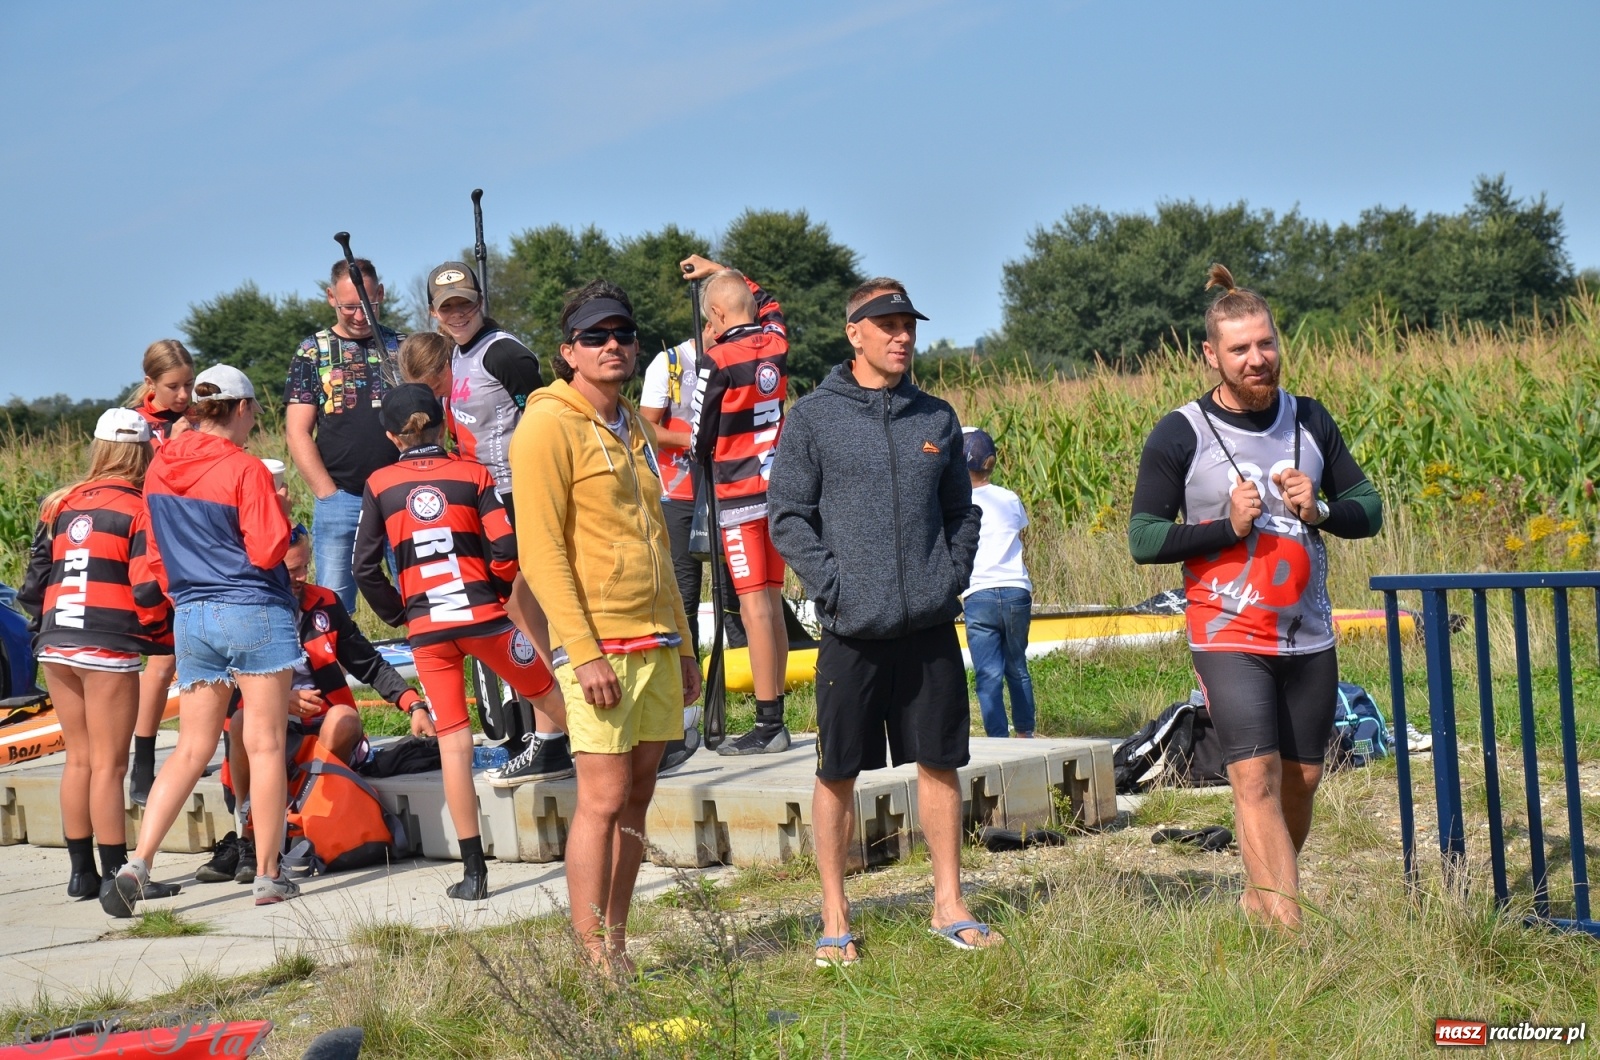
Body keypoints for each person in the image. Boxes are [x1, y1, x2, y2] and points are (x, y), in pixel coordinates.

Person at [1128, 263, 1383, 930]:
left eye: (1265, 343)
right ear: (1212, 355)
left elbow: (1368, 508)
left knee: (1300, 780)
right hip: (1227, 631)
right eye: (1240, 349)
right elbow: (1144, 538)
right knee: (1253, 774)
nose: (1257, 359)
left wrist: (1321, 511)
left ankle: (1261, 894)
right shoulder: (1180, 431)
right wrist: (1225, 528)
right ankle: (1289, 923)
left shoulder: (1311, 419)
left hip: (1308, 635)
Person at [768, 278, 997, 966]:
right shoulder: (813, 418)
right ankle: (835, 914)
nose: (902, 336)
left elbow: (963, 511)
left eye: (908, 325)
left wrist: (948, 576)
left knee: (940, 762)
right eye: (887, 325)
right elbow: (787, 516)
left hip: (927, 625)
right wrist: (834, 586)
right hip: (850, 630)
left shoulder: (936, 418)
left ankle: (948, 902)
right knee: (838, 769)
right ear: (854, 333)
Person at [509, 280, 701, 969]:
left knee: (639, 795)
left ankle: (617, 942)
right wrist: (580, 652)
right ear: (568, 352)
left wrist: (683, 645)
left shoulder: (635, 424)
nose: (612, 344)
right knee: (603, 796)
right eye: (595, 336)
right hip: (597, 641)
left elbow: (655, 535)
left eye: (622, 333)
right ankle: (592, 957)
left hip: (655, 636)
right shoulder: (546, 426)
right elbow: (540, 551)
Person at [103, 365, 303, 916]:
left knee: (191, 748)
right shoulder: (246, 469)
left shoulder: (162, 463)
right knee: (263, 744)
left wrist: (181, 593)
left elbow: (156, 548)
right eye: (255, 409)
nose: (256, 418)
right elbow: (266, 552)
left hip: (191, 614)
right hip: (253, 608)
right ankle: (268, 873)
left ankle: (136, 864)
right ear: (239, 409)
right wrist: (282, 518)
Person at [353, 384, 563, 900]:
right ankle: (623, 789)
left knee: (453, 742)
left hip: (428, 631)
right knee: (554, 701)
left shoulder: (379, 483)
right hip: (486, 620)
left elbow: (363, 566)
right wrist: (494, 586)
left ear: (390, 436)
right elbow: (505, 544)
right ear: (445, 422)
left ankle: (474, 873)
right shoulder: (474, 473)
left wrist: (398, 612)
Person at [196, 523, 436, 885]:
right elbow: (222, 686)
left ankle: (299, 822)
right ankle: (248, 836)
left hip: (322, 733)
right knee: (245, 718)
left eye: (305, 566)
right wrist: (280, 699)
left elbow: (368, 662)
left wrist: (413, 704)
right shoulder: (241, 611)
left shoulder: (324, 603)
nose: (301, 576)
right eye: (292, 570)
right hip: (266, 728)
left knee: (345, 718)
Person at [18, 409, 177, 901]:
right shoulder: (140, 507)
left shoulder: (60, 503)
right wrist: (161, 637)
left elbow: (32, 584)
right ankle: (115, 878)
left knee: (79, 760)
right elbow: (147, 588)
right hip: (106, 640)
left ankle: (80, 873)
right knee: (110, 765)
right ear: (142, 451)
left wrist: (40, 629)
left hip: (55, 638)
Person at [426, 263, 572, 785]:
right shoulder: (459, 354)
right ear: (434, 314)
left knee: (529, 617)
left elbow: (548, 414)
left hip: (518, 494)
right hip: (487, 499)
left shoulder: (503, 352)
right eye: (447, 307)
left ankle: (553, 738)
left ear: (481, 300)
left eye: (465, 302)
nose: (458, 313)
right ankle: (552, 733)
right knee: (521, 615)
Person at [682, 255, 791, 756]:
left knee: (753, 609)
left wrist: (694, 452)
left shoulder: (716, 360)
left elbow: (698, 434)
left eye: (709, 318)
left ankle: (768, 725)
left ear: (720, 317)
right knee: (769, 603)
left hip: (739, 497)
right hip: (781, 493)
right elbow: (765, 300)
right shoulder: (777, 341)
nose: (706, 328)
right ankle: (777, 715)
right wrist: (718, 270)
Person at [284, 258, 405, 613]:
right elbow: (297, 431)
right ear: (331, 298)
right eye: (349, 306)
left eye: (367, 304)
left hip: (401, 494)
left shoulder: (403, 347)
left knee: (418, 591)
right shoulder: (312, 352)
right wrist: (326, 492)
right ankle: (335, 667)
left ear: (380, 294)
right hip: (342, 497)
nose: (359, 314)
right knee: (334, 604)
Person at [127, 339, 195, 806]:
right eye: (174, 386)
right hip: (149, 546)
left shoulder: (192, 418)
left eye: (189, 383)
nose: (184, 394)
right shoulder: (135, 425)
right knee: (161, 658)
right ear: (151, 384)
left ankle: (198, 747)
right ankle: (143, 761)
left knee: (194, 653)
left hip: (190, 540)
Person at [960, 427, 1037, 739]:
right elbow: (1020, 532)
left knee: (988, 674)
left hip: (978, 593)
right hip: (1017, 590)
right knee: (1017, 667)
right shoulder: (1009, 498)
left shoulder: (958, 505)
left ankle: (998, 740)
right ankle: (1025, 733)